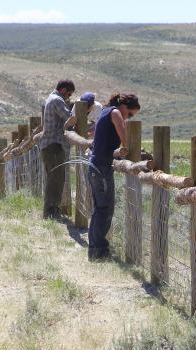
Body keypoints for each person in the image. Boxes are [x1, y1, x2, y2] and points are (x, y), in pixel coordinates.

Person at [87, 93, 141, 261]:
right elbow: (126, 139)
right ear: (124, 107)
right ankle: (100, 252)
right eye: (130, 114)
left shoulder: (105, 110)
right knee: (105, 209)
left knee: (100, 209)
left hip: (96, 165)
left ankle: (95, 249)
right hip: (102, 166)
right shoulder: (116, 113)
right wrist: (136, 150)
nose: (128, 118)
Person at [39, 79, 78, 219]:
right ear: (63, 90)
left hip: (50, 145)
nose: (68, 97)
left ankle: (51, 211)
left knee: (54, 179)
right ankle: (51, 212)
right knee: (56, 180)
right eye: (68, 94)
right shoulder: (57, 100)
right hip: (54, 145)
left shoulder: (51, 99)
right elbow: (69, 118)